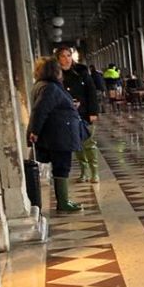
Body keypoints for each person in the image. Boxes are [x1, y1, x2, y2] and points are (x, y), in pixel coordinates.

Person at [28, 57, 86, 213]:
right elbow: (40, 110)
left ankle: (64, 201)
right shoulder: (50, 88)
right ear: (54, 71)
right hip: (59, 135)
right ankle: (63, 202)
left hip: (57, 133)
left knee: (61, 166)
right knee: (62, 166)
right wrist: (34, 131)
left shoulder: (43, 86)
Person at [55, 46, 100, 183]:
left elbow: (91, 92)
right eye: (63, 56)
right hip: (68, 115)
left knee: (89, 142)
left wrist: (93, 111)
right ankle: (84, 171)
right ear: (58, 59)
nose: (66, 59)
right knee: (77, 144)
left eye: (68, 55)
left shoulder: (81, 72)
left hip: (85, 113)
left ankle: (95, 172)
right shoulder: (56, 75)